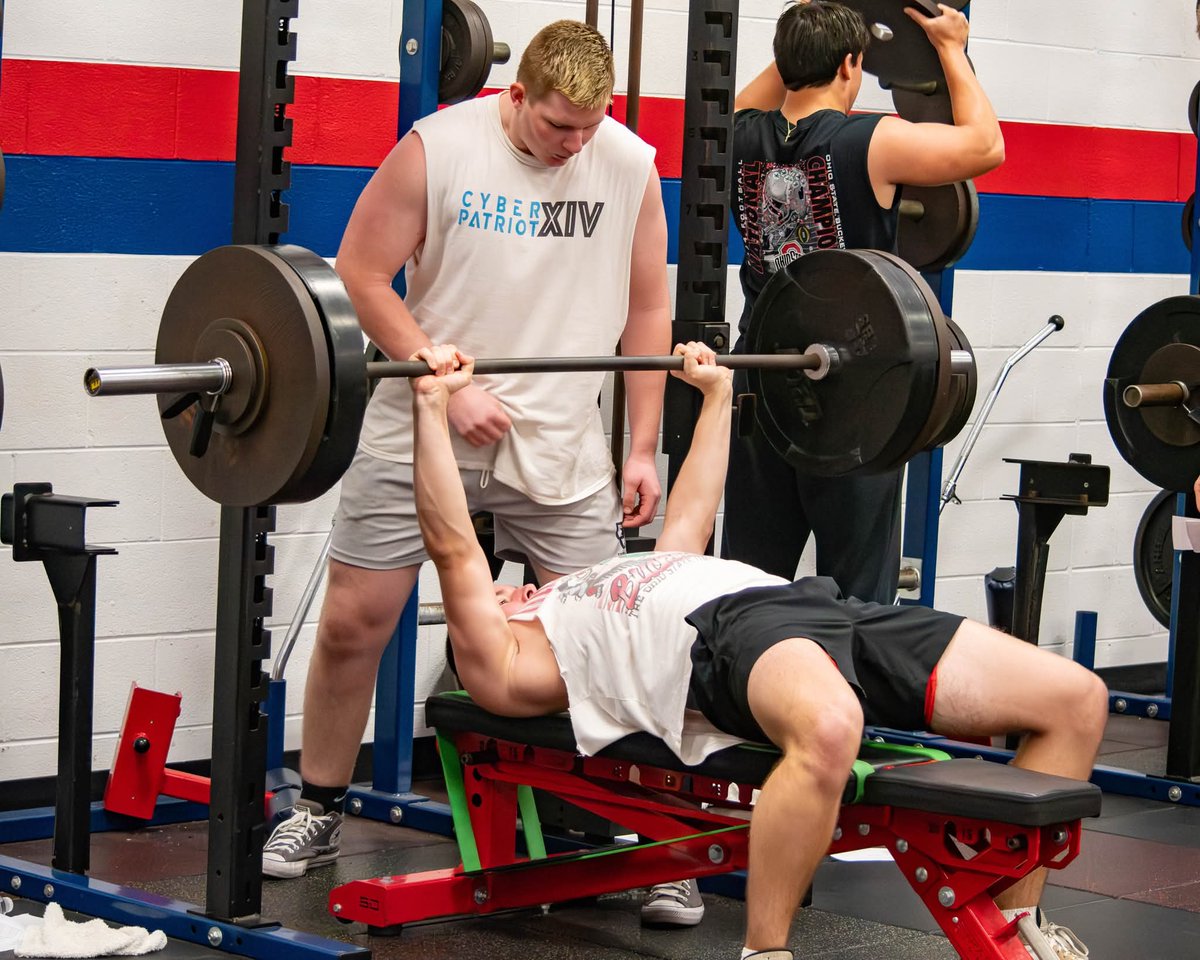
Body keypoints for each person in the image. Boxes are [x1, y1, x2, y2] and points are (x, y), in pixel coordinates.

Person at [410, 339, 1108, 960]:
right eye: (494, 595)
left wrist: (717, 398)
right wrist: (431, 407)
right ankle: (765, 952)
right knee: (832, 729)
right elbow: (451, 545)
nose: (505, 587)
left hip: (816, 606)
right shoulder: (513, 661)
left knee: (1076, 701)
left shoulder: (603, 578)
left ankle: (1019, 929)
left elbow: (689, 516)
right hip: (729, 637)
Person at [261, 19, 676, 900]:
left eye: (589, 128)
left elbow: (647, 313)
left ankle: (652, 848)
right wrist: (440, 375)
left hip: (563, 439)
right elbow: (361, 273)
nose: (575, 144)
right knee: (353, 624)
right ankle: (323, 808)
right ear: (515, 96)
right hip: (428, 420)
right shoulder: (437, 148)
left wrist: (643, 444)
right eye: (559, 126)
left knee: (621, 643)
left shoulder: (629, 164)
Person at [722, 1, 1005, 603]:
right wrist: (952, 47)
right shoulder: (872, 142)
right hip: (856, 392)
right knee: (859, 595)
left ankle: (743, 691)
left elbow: (761, 89)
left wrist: (808, 32)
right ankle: (856, 694)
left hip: (763, 377)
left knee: (748, 581)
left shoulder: (735, 135)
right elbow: (985, 147)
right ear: (853, 64)